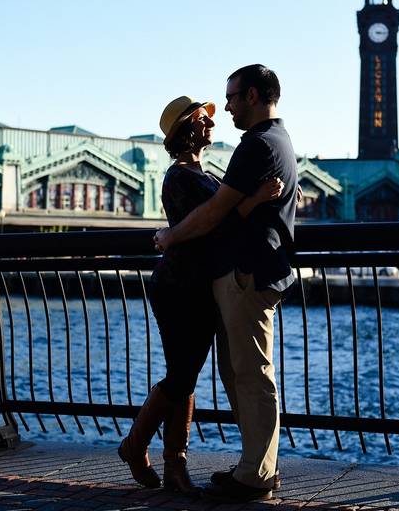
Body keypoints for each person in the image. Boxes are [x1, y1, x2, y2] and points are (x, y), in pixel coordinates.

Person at [118, 95, 283, 495]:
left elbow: (221, 214)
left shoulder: (204, 172)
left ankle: (176, 466)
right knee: (181, 375)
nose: (212, 123)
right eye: (203, 120)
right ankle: (135, 445)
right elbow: (215, 223)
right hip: (177, 288)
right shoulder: (179, 176)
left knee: (187, 375)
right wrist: (257, 199)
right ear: (187, 130)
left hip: (198, 287)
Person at [154, 64, 298, 503]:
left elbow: (216, 213)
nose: (228, 107)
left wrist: (168, 237)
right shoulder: (275, 140)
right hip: (245, 273)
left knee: (249, 375)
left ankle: (256, 474)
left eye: (232, 97)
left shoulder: (256, 146)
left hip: (246, 274)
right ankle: (254, 468)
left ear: (253, 95)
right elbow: (225, 208)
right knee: (238, 373)